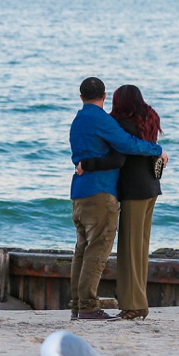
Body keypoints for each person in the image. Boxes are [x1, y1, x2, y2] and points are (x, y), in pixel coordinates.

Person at [69, 77, 166, 321]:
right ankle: (95, 306)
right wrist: (157, 150)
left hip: (89, 193)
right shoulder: (126, 121)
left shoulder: (80, 120)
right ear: (103, 96)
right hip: (123, 190)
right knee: (112, 250)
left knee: (87, 250)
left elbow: (115, 155)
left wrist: (85, 164)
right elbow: (125, 148)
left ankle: (82, 306)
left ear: (81, 97)